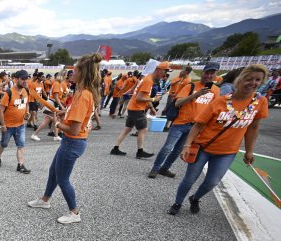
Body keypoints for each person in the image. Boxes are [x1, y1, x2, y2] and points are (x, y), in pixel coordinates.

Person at [168, 65, 269, 215]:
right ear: (240, 79)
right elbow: (198, 125)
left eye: (257, 80)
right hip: (203, 147)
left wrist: (249, 151)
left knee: (212, 182)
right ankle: (177, 202)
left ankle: (195, 198)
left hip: (227, 152)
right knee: (190, 179)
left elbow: (253, 128)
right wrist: (187, 145)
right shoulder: (220, 101)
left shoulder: (260, 102)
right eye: (249, 79)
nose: (253, 83)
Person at [27, 53, 101, 224]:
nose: (71, 74)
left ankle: (74, 212)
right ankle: (45, 200)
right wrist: (60, 113)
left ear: (83, 73)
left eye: (74, 71)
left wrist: (57, 123)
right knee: (54, 171)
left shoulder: (83, 95)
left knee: (63, 179)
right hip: (71, 142)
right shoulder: (83, 92)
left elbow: (74, 130)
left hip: (73, 142)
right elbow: (75, 116)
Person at [149, 62, 221, 179]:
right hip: (181, 123)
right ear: (203, 73)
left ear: (216, 75)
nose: (208, 76)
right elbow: (177, 103)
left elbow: (214, 109)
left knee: (178, 150)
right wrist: (195, 95)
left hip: (196, 127)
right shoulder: (191, 86)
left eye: (212, 73)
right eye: (207, 72)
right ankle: (155, 168)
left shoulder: (216, 91)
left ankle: (165, 168)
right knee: (168, 147)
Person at [110, 62, 171, 159]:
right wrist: (154, 99)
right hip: (137, 109)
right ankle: (140, 151)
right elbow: (139, 98)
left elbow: (144, 96)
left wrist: (151, 107)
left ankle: (115, 148)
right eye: (165, 71)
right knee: (143, 129)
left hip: (133, 107)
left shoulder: (146, 79)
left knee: (128, 129)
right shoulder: (148, 81)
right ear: (158, 70)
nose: (165, 74)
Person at [0, 70, 31, 173]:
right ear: (16, 79)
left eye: (26, 79)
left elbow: (26, 103)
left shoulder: (26, 91)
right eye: (23, 79)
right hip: (8, 126)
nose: (25, 81)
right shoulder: (9, 93)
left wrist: (27, 112)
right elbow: (0, 110)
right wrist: (3, 125)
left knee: (21, 145)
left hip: (20, 125)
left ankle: (20, 165)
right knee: (4, 144)